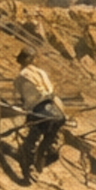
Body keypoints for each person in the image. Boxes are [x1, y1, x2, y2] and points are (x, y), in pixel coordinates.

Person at [13, 47, 65, 182]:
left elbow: (22, 98)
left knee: (32, 139)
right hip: (52, 108)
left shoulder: (21, 77)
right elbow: (48, 90)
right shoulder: (41, 73)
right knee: (46, 137)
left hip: (39, 110)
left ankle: (31, 165)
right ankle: (38, 161)